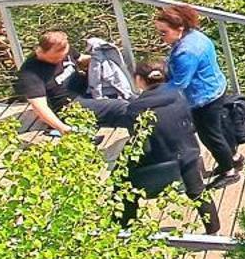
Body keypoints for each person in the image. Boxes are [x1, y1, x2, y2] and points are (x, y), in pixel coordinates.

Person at [86, 58, 220, 235]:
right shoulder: (181, 96)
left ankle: (124, 229)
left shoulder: (135, 109)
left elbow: (142, 142)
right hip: (189, 155)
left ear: (139, 80)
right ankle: (214, 230)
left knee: (121, 185)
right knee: (197, 191)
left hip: (159, 163)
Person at [152, 4, 240, 188]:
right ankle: (234, 158)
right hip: (216, 87)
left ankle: (229, 171)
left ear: (179, 28)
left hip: (203, 98)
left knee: (210, 136)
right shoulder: (197, 36)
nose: (160, 37)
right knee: (220, 128)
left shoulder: (185, 52)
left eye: (163, 32)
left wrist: (154, 92)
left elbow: (179, 84)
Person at [13, 30, 86, 134]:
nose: (61, 58)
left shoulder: (63, 47)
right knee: (118, 109)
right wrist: (63, 129)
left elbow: (81, 59)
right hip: (69, 106)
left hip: (86, 91)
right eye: (57, 57)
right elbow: (39, 107)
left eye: (63, 55)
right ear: (42, 51)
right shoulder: (30, 73)